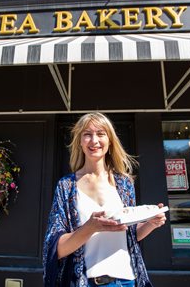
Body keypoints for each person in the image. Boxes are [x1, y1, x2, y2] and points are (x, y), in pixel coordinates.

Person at [43, 112, 167, 286]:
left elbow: (128, 235)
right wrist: (90, 228)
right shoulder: (67, 186)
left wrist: (150, 223)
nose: (94, 141)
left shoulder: (124, 183)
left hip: (127, 280)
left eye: (101, 134)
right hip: (87, 282)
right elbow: (57, 249)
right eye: (87, 134)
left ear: (110, 141)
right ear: (80, 141)